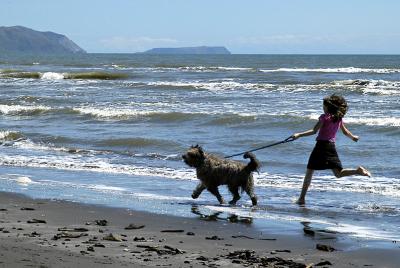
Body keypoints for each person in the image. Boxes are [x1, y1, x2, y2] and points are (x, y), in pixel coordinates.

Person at [291, 94, 371, 205]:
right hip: (331, 147)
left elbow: (314, 131)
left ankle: (301, 199)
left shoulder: (324, 117)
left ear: (328, 107)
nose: (322, 108)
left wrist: (299, 134)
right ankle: (357, 171)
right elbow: (345, 132)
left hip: (320, 147)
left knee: (309, 172)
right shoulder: (338, 118)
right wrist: (353, 137)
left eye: (323, 106)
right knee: (338, 173)